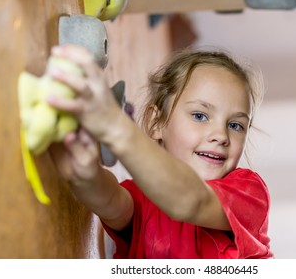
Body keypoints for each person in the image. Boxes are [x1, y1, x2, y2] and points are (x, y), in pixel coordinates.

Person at [47, 44, 273, 259]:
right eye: (200, 116)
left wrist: (117, 128)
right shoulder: (144, 197)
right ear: (156, 123)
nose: (221, 136)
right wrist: (86, 174)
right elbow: (111, 203)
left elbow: (192, 200)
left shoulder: (250, 194)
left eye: (235, 125)